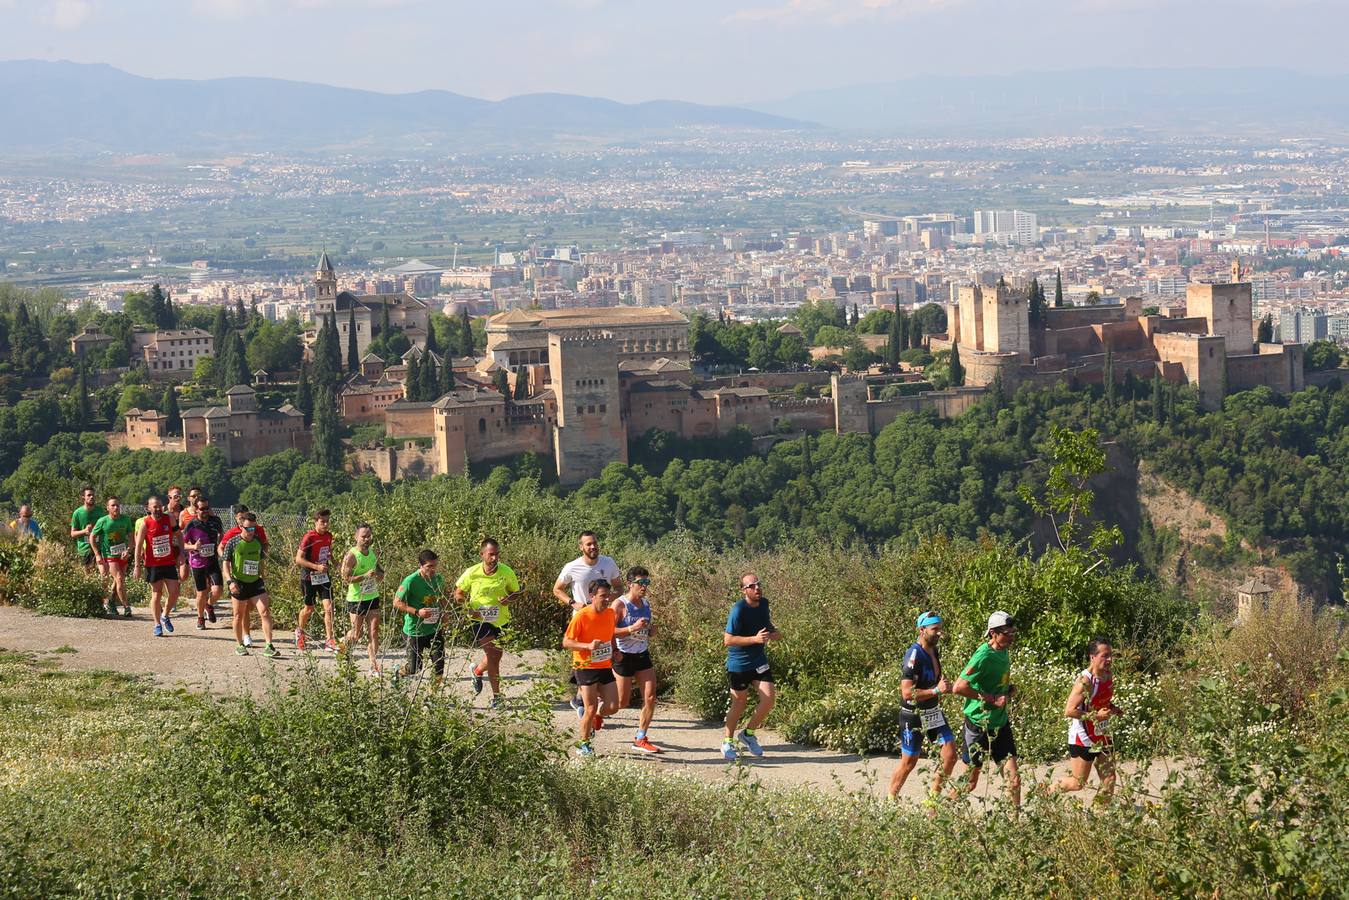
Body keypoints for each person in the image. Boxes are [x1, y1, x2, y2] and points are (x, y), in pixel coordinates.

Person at [953, 611, 1021, 808]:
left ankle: (1015, 826)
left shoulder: (1004, 650)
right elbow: (959, 687)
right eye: (1007, 633)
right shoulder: (983, 655)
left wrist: (1007, 691)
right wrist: (990, 698)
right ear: (993, 633)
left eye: (1013, 632)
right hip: (978, 726)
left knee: (1014, 780)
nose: (1011, 637)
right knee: (970, 783)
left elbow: (995, 682)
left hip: (1000, 724)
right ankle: (942, 811)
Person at [888, 611, 958, 803]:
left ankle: (932, 801)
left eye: (940, 629)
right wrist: (936, 691)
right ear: (922, 630)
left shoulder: (934, 650)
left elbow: (934, 683)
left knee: (950, 755)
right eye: (935, 629)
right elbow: (907, 693)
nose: (939, 633)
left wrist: (944, 686)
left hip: (933, 712)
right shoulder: (913, 655)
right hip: (913, 714)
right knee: (909, 762)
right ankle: (890, 799)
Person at [553, 531, 624, 715]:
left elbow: (619, 586)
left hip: (603, 616)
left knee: (601, 655)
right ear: (581, 547)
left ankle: (582, 700)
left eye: (594, 543)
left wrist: (606, 599)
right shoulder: (572, 567)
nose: (592, 547)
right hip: (582, 617)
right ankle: (585, 702)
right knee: (584, 656)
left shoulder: (608, 563)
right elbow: (557, 589)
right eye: (588, 544)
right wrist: (573, 602)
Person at [1052, 638, 1123, 803]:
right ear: (1093, 657)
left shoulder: (1108, 675)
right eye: (1105, 656)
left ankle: (1100, 815)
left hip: (1102, 732)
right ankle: (1046, 792)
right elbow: (1069, 711)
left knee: (1109, 778)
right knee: (1078, 783)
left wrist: (1113, 708)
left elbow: (1101, 701)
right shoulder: (1085, 681)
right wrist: (1096, 716)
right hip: (1083, 736)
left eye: (1111, 655)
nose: (1110, 659)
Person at [721, 573, 782, 761]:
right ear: (744, 590)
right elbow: (728, 640)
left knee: (769, 699)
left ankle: (747, 734)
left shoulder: (764, 603)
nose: (757, 588)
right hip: (739, 664)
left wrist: (773, 633)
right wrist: (754, 639)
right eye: (752, 586)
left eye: (758, 584)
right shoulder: (738, 609)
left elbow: (766, 623)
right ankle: (727, 741)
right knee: (739, 703)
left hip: (759, 661)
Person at [455, 537, 521, 706]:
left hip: (500, 620)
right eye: (491, 555)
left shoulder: (506, 572)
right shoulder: (472, 572)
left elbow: (516, 593)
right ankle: (497, 697)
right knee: (492, 654)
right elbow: (458, 593)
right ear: (482, 554)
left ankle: (477, 671)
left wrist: (508, 599)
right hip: (479, 619)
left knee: (496, 656)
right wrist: (467, 609)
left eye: (497, 555)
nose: (494, 558)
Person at [562, 579, 622, 757]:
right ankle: (584, 745)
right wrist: (587, 646)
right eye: (602, 596)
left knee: (613, 706)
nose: (606, 600)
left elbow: (610, 634)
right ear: (592, 596)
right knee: (590, 706)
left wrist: (615, 649)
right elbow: (566, 642)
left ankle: (596, 715)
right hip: (585, 666)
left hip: (604, 665)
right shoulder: (582, 615)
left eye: (608, 596)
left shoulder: (610, 613)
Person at [612, 566, 661, 754]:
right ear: (630, 584)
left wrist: (651, 631)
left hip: (642, 655)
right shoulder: (619, 605)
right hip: (623, 655)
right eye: (641, 583)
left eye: (647, 583)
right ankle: (595, 714)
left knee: (650, 697)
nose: (645, 587)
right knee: (621, 702)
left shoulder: (646, 604)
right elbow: (609, 630)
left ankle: (640, 737)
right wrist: (630, 629)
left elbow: (645, 629)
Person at [221, 513, 278, 658]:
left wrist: (263, 576)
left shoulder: (258, 541)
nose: (252, 532)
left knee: (264, 612)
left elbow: (260, 561)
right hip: (238, 583)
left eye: (254, 528)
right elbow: (225, 565)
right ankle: (240, 645)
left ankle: (269, 646)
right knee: (238, 615)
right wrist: (230, 582)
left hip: (255, 582)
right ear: (241, 526)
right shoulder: (233, 542)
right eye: (248, 529)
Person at [394, 549, 447, 682]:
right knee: (414, 668)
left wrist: (445, 613)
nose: (433, 569)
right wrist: (417, 612)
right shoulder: (411, 581)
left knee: (439, 665)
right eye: (429, 566)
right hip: (414, 631)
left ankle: (432, 698)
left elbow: (442, 597)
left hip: (434, 629)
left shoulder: (438, 578)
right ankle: (399, 674)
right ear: (421, 565)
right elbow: (396, 602)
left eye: (435, 565)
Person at [133, 494, 180, 637]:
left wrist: (182, 552)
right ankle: (157, 624)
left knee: (174, 592)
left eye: (159, 506)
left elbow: (179, 534)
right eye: (155, 506)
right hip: (153, 564)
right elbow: (138, 545)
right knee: (156, 594)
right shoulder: (145, 524)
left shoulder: (169, 519)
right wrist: (137, 566)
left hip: (169, 562)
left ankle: (165, 615)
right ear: (148, 508)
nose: (158, 509)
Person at [340, 523, 384, 675]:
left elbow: (380, 571)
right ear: (356, 537)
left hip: (372, 596)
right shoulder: (351, 555)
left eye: (368, 536)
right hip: (356, 599)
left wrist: (379, 575)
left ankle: (374, 665)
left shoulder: (373, 552)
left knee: (374, 631)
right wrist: (364, 576)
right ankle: (343, 649)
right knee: (356, 634)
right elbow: (345, 579)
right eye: (363, 536)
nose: (366, 539)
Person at [294, 509, 337, 651]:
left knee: (329, 608)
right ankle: (300, 632)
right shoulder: (309, 537)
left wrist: (336, 563)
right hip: (308, 577)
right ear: (315, 522)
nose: (325, 524)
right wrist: (316, 567)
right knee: (309, 609)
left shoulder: (329, 536)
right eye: (322, 521)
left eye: (327, 521)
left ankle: (329, 640)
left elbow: (328, 552)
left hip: (323, 577)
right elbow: (298, 559)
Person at [182, 497, 225, 630]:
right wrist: (194, 547)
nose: (205, 511)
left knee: (217, 591)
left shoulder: (215, 521)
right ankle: (200, 618)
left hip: (212, 561)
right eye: (202, 509)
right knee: (201, 593)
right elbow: (182, 543)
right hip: (197, 563)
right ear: (196, 510)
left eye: (207, 508)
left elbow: (222, 535)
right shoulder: (191, 525)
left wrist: (221, 544)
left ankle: (209, 605)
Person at [90, 497, 133, 617]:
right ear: (107, 508)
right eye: (113, 505)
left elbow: (131, 538)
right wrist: (97, 554)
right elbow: (92, 537)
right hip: (109, 555)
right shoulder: (102, 521)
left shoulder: (126, 519)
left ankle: (111, 602)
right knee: (119, 578)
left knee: (118, 581)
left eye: (118, 505)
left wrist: (128, 550)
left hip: (123, 554)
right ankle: (126, 606)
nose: (116, 508)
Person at [70, 486, 100, 572]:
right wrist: (84, 531)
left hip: (99, 548)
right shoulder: (77, 513)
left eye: (93, 495)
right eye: (89, 495)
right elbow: (72, 534)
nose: (91, 497)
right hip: (85, 550)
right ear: (83, 497)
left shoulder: (100, 511)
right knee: (88, 577)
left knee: (103, 575)